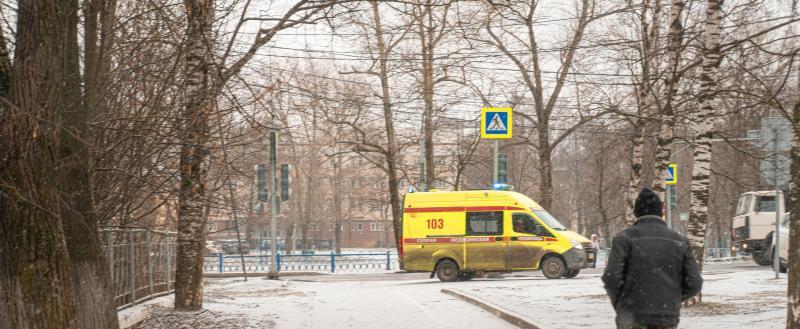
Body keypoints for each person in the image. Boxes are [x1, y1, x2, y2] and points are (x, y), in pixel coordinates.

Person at [602, 188, 703, 329]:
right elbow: (695, 282)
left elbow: (611, 277)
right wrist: (673, 298)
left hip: (632, 316)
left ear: (636, 212)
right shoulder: (679, 241)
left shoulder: (624, 239)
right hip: (667, 317)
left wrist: (622, 303)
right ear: (660, 212)